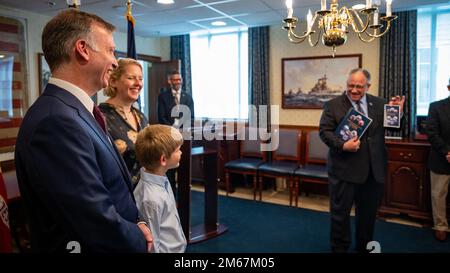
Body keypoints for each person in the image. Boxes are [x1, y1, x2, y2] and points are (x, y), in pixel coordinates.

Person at [14, 9, 152, 252]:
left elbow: (112, 185)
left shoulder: (76, 111)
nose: (115, 61)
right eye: (110, 50)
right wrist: (141, 240)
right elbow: (94, 219)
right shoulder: (55, 121)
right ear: (82, 49)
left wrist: (137, 219)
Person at [319, 68, 405, 253]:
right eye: (351, 86)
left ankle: (364, 247)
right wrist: (343, 145)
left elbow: (394, 129)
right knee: (340, 215)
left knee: (367, 216)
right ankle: (339, 248)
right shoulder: (333, 105)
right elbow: (324, 132)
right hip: (344, 170)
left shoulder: (380, 103)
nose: (354, 90)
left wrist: (397, 112)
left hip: (373, 172)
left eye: (359, 86)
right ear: (347, 84)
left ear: (368, 86)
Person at [134, 124, 187, 253]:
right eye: (178, 150)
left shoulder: (158, 176)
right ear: (163, 159)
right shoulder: (151, 198)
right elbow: (152, 243)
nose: (181, 152)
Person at [99, 58, 149, 185]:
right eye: (131, 78)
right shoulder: (99, 116)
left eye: (141, 78)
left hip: (145, 194)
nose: (138, 83)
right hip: (117, 195)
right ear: (114, 81)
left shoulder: (141, 117)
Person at [157, 70, 195, 196]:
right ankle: (171, 194)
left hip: (184, 138)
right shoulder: (163, 96)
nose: (178, 82)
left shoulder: (188, 97)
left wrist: (183, 131)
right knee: (170, 169)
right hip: (169, 137)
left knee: (184, 167)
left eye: (179, 80)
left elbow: (191, 117)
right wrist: (172, 131)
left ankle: (184, 196)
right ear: (170, 81)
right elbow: (161, 117)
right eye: (175, 80)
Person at [425, 78, 450, 242]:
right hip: (442, 158)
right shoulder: (436, 107)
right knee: (438, 195)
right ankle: (440, 226)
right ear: (449, 87)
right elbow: (432, 133)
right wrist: (447, 151)